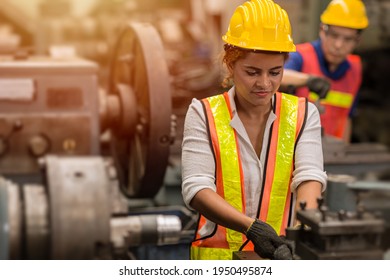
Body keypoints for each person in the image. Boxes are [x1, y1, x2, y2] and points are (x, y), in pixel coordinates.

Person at [181, 0, 327, 260]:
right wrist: (251, 228)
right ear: (230, 64)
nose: (264, 83)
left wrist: (302, 231)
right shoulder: (203, 113)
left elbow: (309, 176)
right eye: (252, 72)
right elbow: (196, 188)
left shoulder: (304, 114)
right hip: (218, 261)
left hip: (281, 256)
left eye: (275, 72)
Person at [281, 0, 369, 142]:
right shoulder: (300, 56)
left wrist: (343, 154)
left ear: (357, 41)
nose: (338, 45)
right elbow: (278, 76)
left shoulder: (354, 69)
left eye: (347, 39)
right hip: (296, 148)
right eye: (334, 35)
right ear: (322, 30)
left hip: (332, 152)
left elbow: (346, 118)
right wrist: (307, 80)